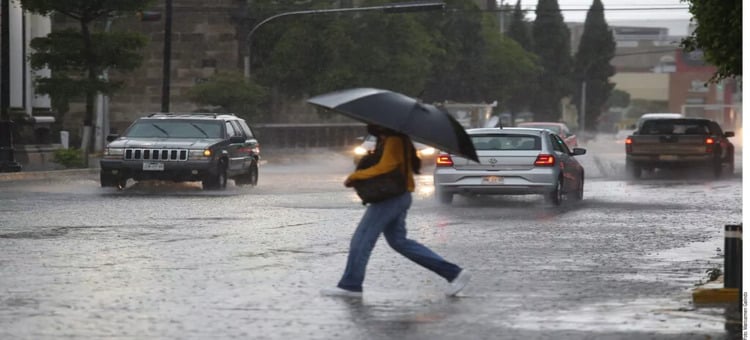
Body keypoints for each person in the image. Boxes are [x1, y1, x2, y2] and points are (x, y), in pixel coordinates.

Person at [321, 124, 470, 298]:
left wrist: (356, 176)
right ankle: (454, 274)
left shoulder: (394, 140)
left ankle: (351, 285)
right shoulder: (394, 139)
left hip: (391, 198)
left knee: (362, 239)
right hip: (398, 196)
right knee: (399, 242)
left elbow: (387, 166)